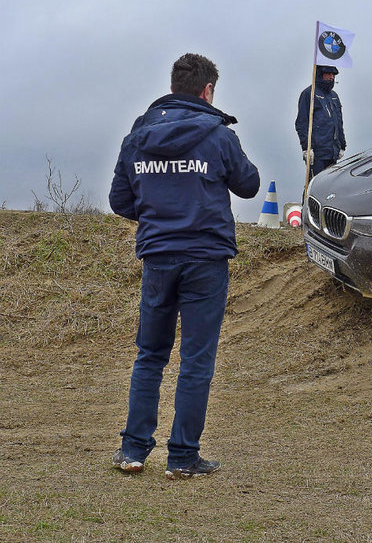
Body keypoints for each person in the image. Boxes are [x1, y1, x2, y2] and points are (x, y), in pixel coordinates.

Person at [108, 53, 260, 479]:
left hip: (158, 258)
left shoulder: (137, 137)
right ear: (207, 91)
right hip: (206, 260)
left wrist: (160, 210)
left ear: (174, 86)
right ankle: (182, 457)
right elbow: (248, 185)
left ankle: (133, 450)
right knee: (196, 358)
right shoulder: (218, 135)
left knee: (150, 354)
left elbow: (120, 201)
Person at [295, 65, 346, 177]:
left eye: (333, 75)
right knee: (315, 185)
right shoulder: (309, 94)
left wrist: (342, 145)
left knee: (329, 187)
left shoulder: (334, 97)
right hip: (317, 153)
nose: (332, 77)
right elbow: (302, 123)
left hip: (333, 152)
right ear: (320, 74)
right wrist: (306, 148)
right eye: (328, 74)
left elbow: (338, 122)